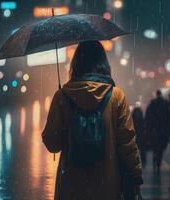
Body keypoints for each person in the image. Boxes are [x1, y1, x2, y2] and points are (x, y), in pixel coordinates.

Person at [42, 41, 143, 200]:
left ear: (76, 64)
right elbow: (127, 143)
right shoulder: (116, 96)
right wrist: (136, 176)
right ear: (103, 63)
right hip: (106, 186)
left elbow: (52, 143)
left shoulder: (62, 96)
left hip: (71, 188)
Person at [145, 90, 170, 174]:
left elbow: (147, 118)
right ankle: (158, 164)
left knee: (155, 148)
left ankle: (155, 160)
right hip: (163, 131)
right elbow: (169, 118)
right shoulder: (166, 104)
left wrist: (148, 129)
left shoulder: (152, 104)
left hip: (154, 131)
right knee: (160, 149)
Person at [132, 102, 147, 168]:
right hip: (141, 134)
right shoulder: (140, 113)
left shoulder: (134, 113)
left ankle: (135, 161)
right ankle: (143, 161)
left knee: (135, 149)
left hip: (135, 134)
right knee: (142, 149)